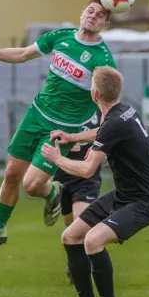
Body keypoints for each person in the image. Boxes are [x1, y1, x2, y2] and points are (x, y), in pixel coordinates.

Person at [0, 0, 117, 260]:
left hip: (62, 130)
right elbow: (24, 54)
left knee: (31, 186)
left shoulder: (102, 60)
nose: (93, 17)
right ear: (82, 12)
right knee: (11, 173)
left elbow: (107, 107)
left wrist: (95, 141)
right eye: (90, 11)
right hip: (35, 115)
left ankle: (54, 191)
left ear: (105, 24)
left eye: (101, 15)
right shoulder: (60, 37)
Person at [41, 66, 149, 297]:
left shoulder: (114, 122)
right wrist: (74, 137)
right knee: (70, 236)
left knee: (93, 240)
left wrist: (58, 159)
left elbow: (87, 170)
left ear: (94, 93)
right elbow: (105, 133)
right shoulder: (123, 112)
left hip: (145, 201)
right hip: (125, 194)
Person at [54, 110, 103, 283]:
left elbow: (108, 132)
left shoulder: (99, 107)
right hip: (61, 173)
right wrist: (60, 145)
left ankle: (79, 268)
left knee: (81, 222)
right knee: (69, 223)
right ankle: (75, 258)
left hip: (86, 176)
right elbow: (44, 136)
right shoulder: (58, 106)